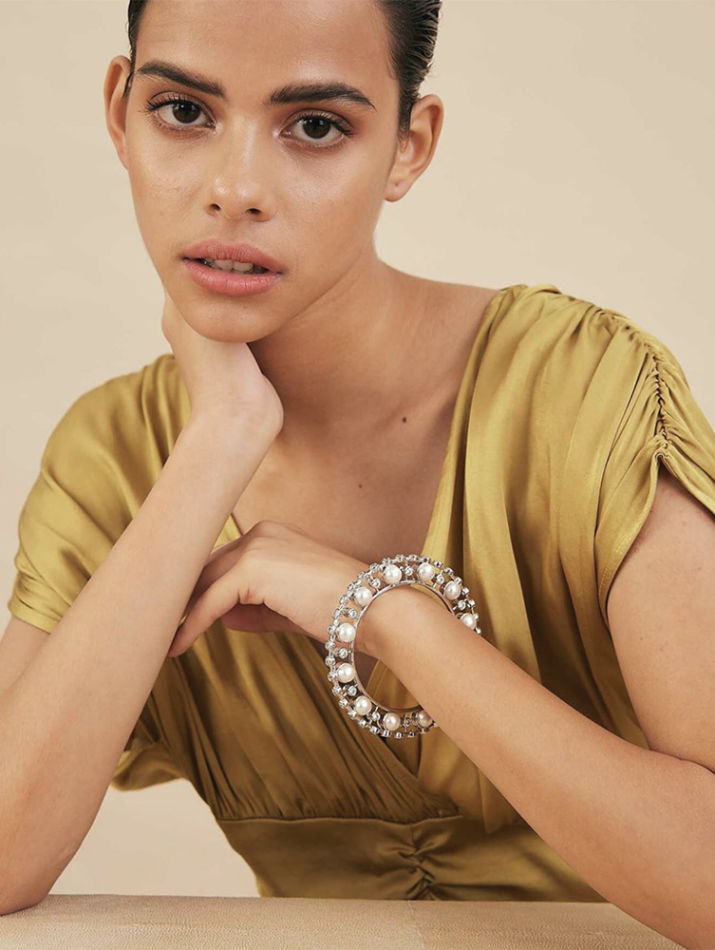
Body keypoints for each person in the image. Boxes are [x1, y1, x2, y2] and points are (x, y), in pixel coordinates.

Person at [0, 0, 713, 945]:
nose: (234, 189)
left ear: (408, 148)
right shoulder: (112, 458)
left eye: (315, 126)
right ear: (118, 112)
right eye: (183, 111)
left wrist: (388, 617)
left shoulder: (582, 388)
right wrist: (221, 436)